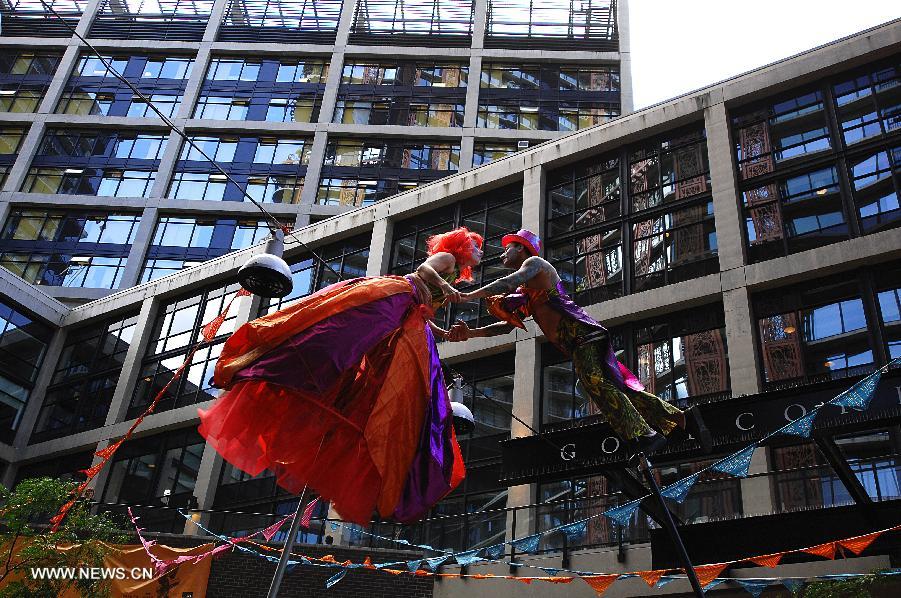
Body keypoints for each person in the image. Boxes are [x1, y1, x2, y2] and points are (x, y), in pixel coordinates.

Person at [198, 227, 484, 525]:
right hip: (397, 298)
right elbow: (423, 270)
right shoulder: (447, 259)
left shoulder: (454, 275)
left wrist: (445, 333)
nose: (479, 252)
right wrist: (446, 287)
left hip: (409, 320)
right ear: (462, 246)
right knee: (344, 333)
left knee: (407, 389)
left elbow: (424, 314)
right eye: (475, 247)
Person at [447, 229, 711, 458]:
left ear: (520, 248)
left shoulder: (536, 265)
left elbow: (508, 281)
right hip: (576, 343)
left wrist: (469, 296)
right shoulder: (526, 293)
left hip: (583, 334)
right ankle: (682, 419)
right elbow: (506, 326)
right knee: (617, 387)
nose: (502, 256)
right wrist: (470, 333)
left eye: (507, 250)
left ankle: (644, 435)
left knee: (594, 383)